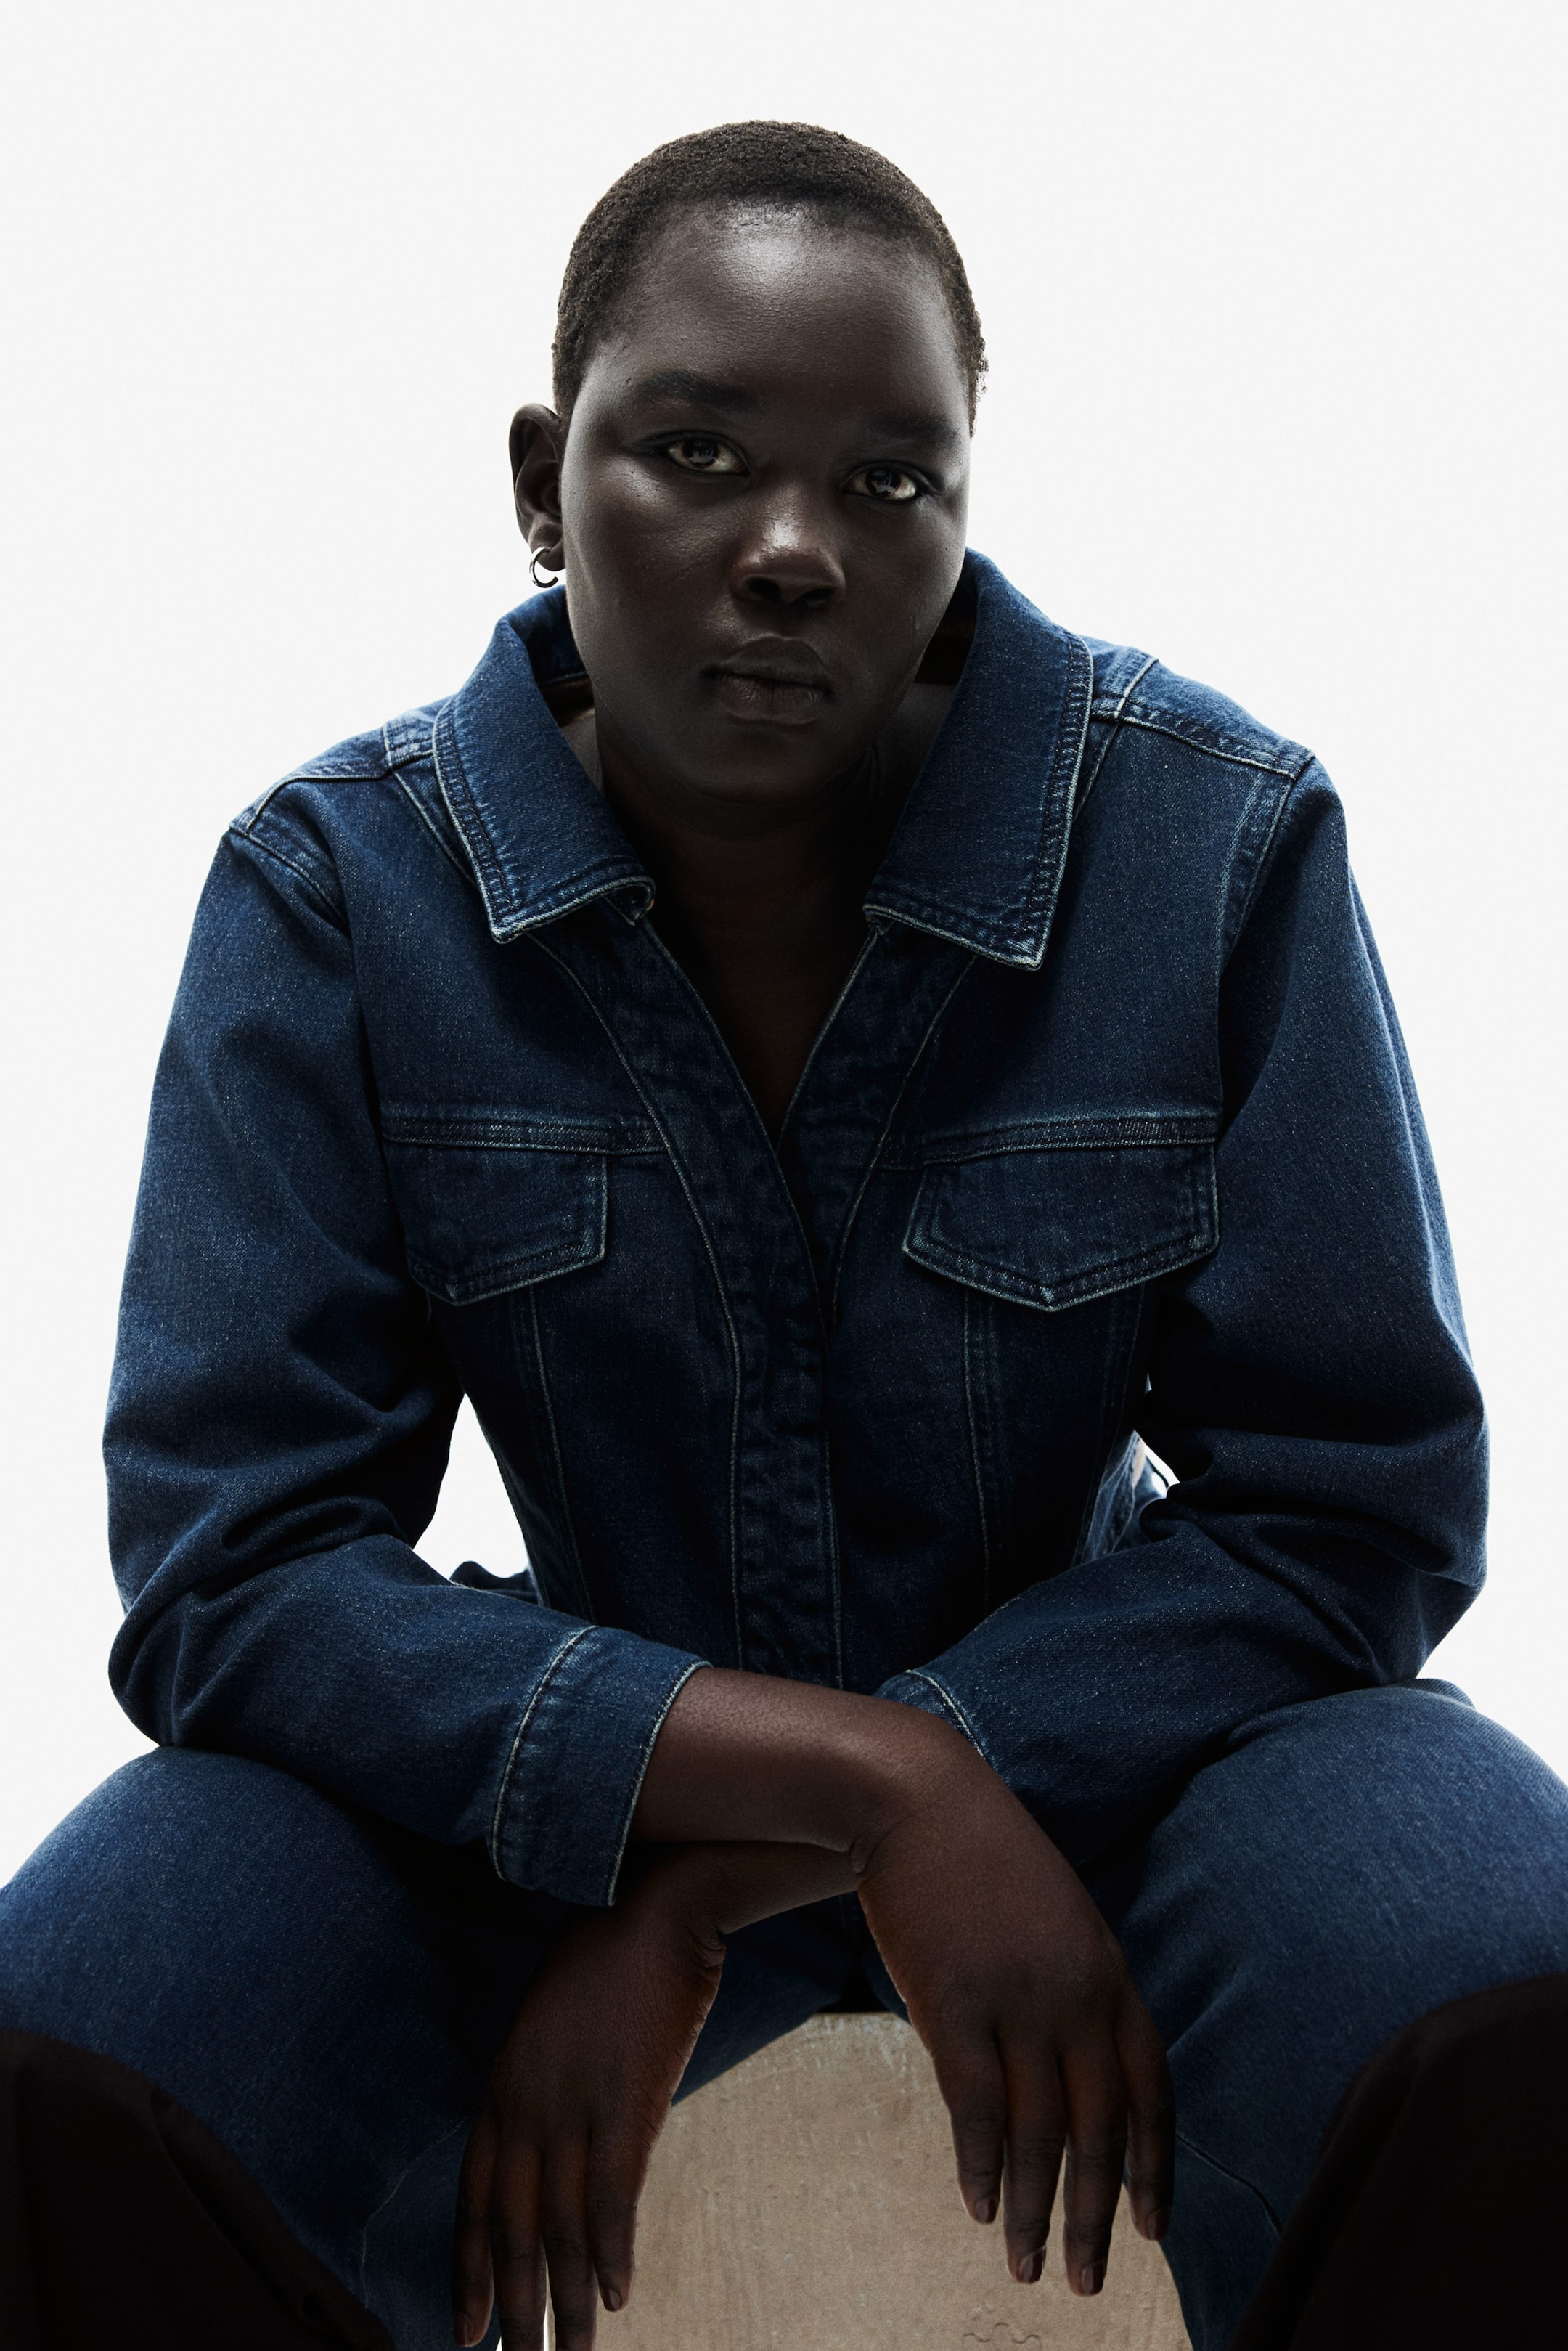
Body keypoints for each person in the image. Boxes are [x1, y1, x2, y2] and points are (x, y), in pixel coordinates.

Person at [1, 120, 1564, 2351]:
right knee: (77, 2032)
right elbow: (236, 1573)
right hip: (548, 1799)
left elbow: (1358, 1504)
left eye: (890, 481)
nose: (797, 550)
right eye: (699, 453)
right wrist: (857, 1783)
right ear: (544, 484)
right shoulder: (337, 891)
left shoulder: (1212, 844)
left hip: (1124, 1771)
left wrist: (782, 1858)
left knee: (1508, 1981)